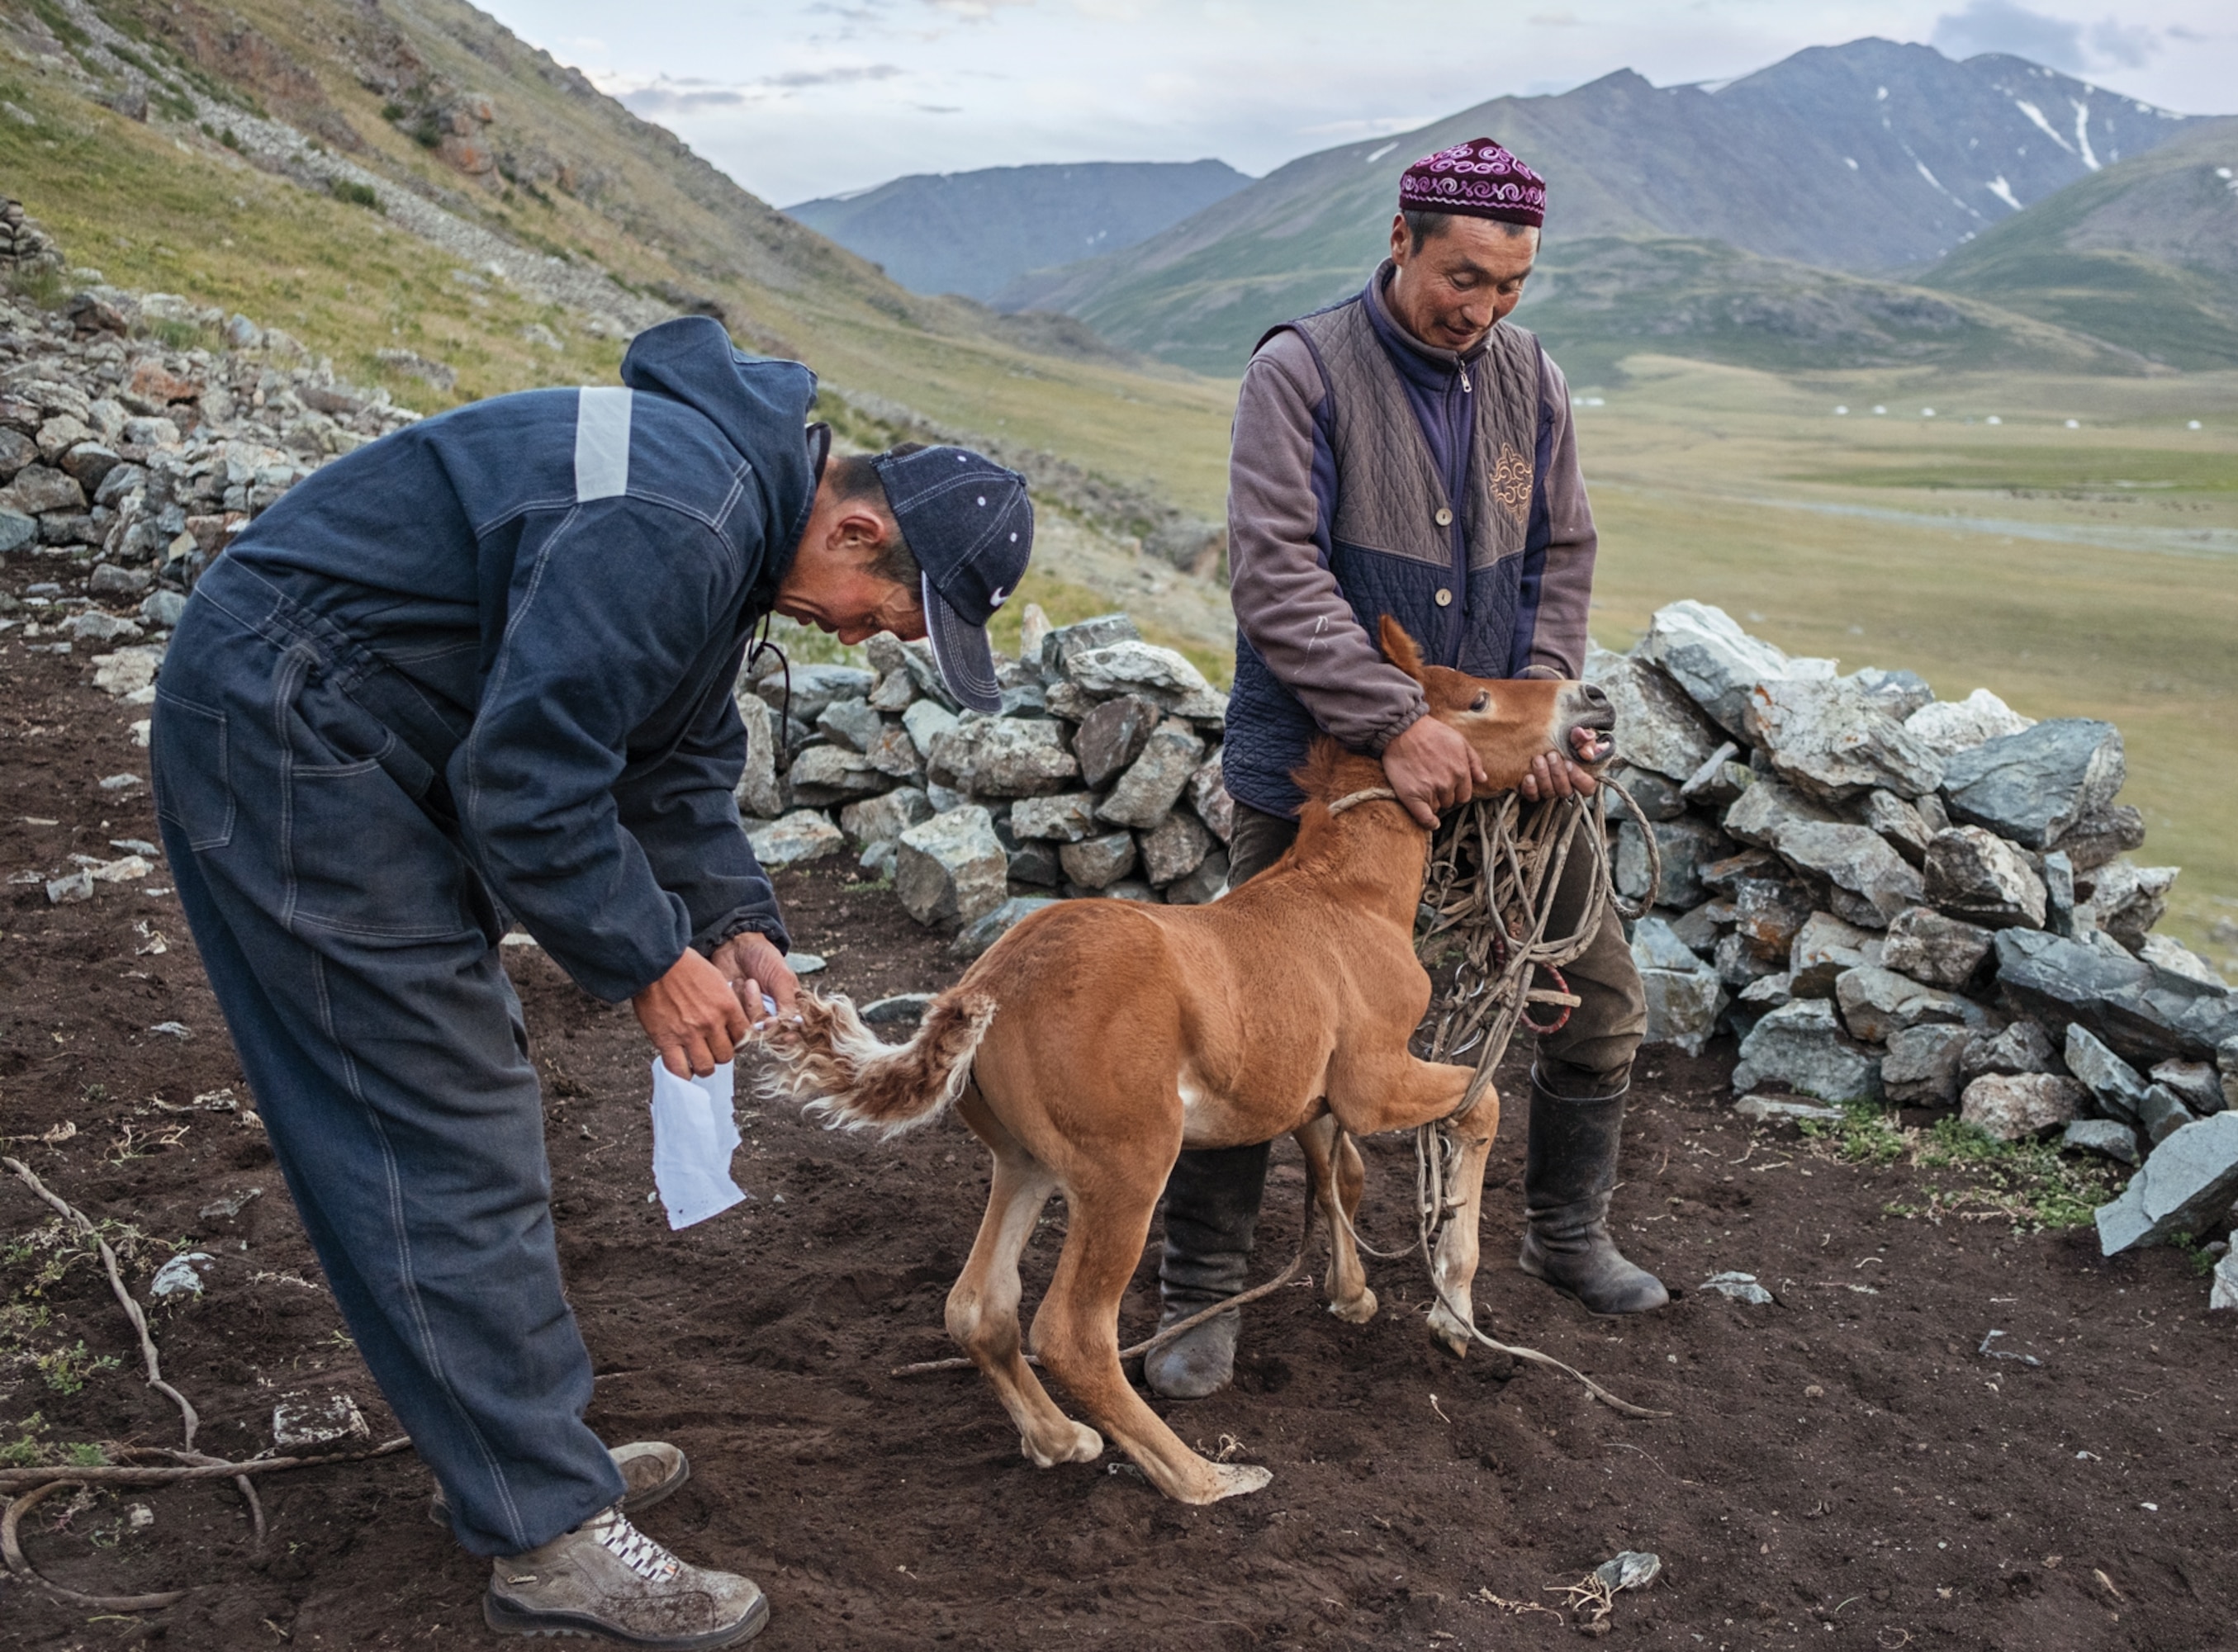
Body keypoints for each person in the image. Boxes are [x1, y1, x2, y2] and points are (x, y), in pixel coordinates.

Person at [149, 316, 1031, 1648]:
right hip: (292, 729)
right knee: (437, 1115)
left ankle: (525, 1461)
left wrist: (734, 920)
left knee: (461, 1093)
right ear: (855, 533)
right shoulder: (678, 520)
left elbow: (669, 751)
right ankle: (546, 1533)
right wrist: (646, 963)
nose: (872, 641)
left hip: (358, 721)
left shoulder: (726, 519)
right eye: (896, 613)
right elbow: (529, 780)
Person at [1145, 138, 1665, 1403]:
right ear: (1402, 237)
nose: (1485, 308)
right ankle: (1201, 1283)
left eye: (1513, 285)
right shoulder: (1302, 372)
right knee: (1241, 1029)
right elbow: (1273, 571)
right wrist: (1391, 717)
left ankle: (1566, 1233)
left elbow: (1562, 560)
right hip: (1323, 775)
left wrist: (1534, 726)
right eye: (1466, 277)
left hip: (1493, 776)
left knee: (1595, 999)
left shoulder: (1531, 381)